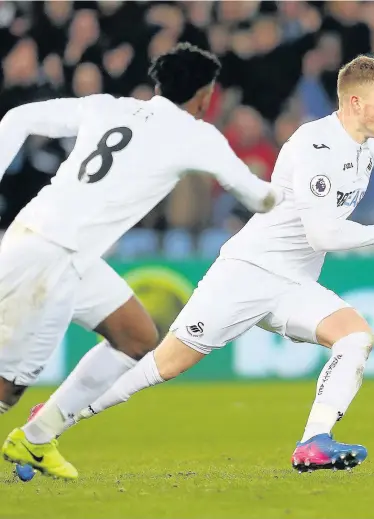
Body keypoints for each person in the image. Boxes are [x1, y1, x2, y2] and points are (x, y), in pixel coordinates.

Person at [5, 54, 374, 478]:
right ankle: (53, 419)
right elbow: (323, 235)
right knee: (161, 366)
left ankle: (313, 443)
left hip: (294, 283)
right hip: (247, 273)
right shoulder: (314, 145)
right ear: (355, 102)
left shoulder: (370, 148)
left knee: (356, 338)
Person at [0, 43, 282, 480]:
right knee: (7, 388)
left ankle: (37, 438)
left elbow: (15, 118)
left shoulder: (107, 107)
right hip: (49, 260)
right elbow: (258, 197)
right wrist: (291, 192)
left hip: (49, 243)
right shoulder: (196, 134)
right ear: (205, 95)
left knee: (135, 336)